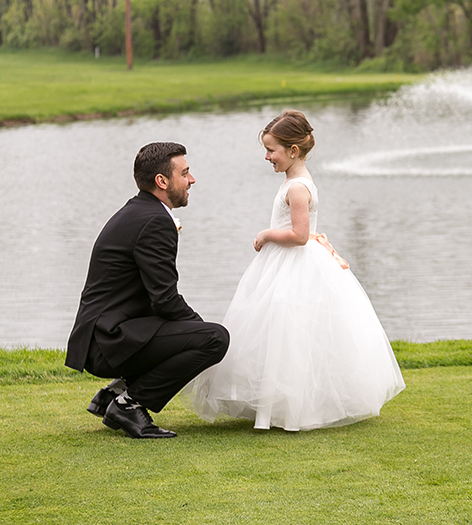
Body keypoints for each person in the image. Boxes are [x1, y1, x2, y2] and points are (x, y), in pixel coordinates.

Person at [181, 110, 404, 431]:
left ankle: (295, 409)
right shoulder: (293, 181)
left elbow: (299, 236)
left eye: (272, 150)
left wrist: (267, 234)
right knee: (277, 332)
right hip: (284, 264)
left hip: (294, 264)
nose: (267, 157)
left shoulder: (297, 188)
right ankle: (278, 407)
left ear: (293, 151)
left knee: (291, 333)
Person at [65, 142, 230, 439]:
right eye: (185, 173)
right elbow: (165, 300)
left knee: (194, 333)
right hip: (108, 341)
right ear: (162, 181)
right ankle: (129, 404)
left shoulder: (139, 211)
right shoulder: (155, 220)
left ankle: (115, 392)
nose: (192, 180)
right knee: (215, 339)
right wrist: (200, 328)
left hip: (103, 335)